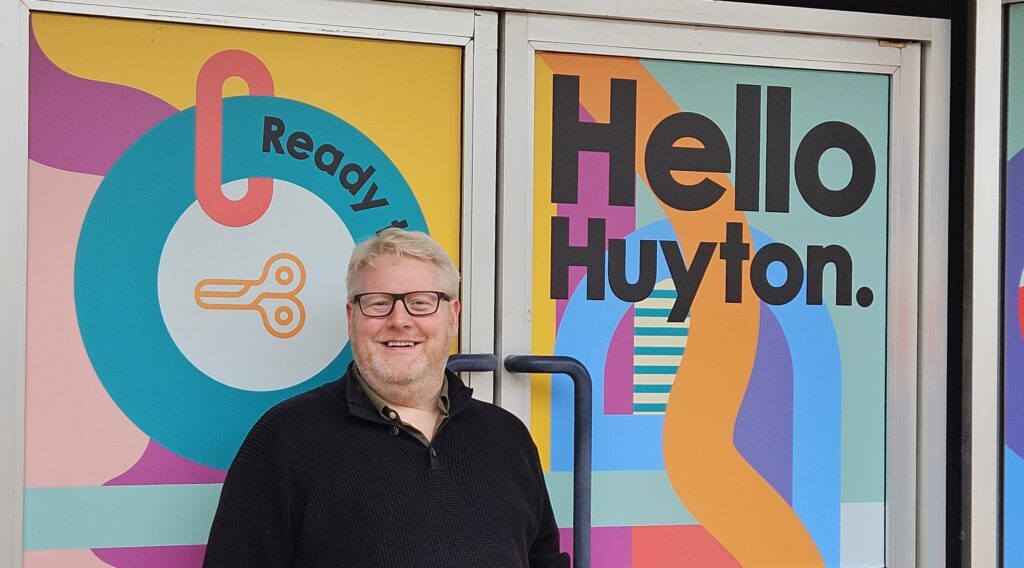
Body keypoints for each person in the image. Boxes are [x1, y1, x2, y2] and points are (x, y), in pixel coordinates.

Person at [203, 228, 569, 568]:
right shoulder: (285, 439)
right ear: (351, 318)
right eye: (378, 303)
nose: (399, 320)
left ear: (452, 317)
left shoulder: (507, 436)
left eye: (422, 303)